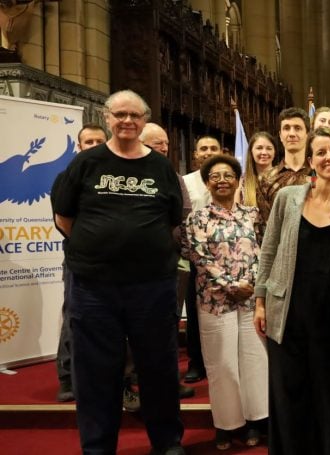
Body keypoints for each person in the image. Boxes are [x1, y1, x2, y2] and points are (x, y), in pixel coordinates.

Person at [52, 89, 185, 455]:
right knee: (96, 373)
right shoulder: (85, 163)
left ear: (144, 121)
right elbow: (63, 216)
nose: (128, 121)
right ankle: (97, 447)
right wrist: (96, 246)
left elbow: (174, 218)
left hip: (152, 286)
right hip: (94, 288)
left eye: (135, 115)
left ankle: (167, 442)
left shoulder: (160, 167)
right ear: (107, 117)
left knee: (158, 369)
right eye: (120, 114)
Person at [253, 127, 330, 455]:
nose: (328, 158)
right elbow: (268, 251)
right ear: (310, 161)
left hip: (329, 312)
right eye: (321, 153)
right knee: (288, 388)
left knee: (326, 390)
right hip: (287, 309)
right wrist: (259, 302)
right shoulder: (288, 198)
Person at [184, 154, 268, 451]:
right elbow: (199, 257)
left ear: (238, 181)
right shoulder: (196, 218)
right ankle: (226, 425)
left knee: (254, 363)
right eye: (215, 176)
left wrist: (251, 285)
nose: (222, 180)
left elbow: (263, 251)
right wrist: (230, 286)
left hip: (249, 301)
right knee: (222, 366)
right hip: (214, 302)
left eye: (228, 175)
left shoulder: (252, 214)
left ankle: (256, 420)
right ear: (207, 183)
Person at [141, 122, 197, 402]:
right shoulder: (127, 172)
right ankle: (129, 383)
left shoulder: (172, 176)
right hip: (134, 267)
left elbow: (184, 213)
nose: (163, 148)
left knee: (168, 323)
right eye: (155, 143)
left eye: (165, 143)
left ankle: (168, 382)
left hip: (170, 260)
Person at [54, 123, 108, 403]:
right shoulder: (70, 175)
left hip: (114, 260)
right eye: (89, 142)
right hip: (80, 257)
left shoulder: (116, 174)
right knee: (74, 313)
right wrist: (88, 244)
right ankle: (66, 375)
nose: (95, 146)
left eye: (100, 141)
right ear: (79, 146)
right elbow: (62, 219)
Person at [182, 136, 224, 384]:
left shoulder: (230, 178)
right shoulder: (185, 182)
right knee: (196, 313)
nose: (208, 152)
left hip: (226, 255)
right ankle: (196, 362)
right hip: (194, 256)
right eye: (203, 148)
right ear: (196, 154)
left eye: (214, 148)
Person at [258, 107, 312, 225]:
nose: (292, 134)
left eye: (297, 128)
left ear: (307, 134)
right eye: (286, 128)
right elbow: (265, 226)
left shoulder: (319, 174)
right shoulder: (266, 179)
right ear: (280, 135)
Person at [239, 131, 278, 209]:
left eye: (269, 148)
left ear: (274, 152)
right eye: (259, 148)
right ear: (251, 151)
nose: (264, 152)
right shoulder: (242, 180)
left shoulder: (283, 177)